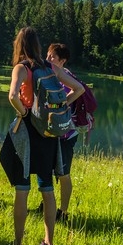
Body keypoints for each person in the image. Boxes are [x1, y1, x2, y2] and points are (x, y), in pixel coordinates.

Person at [0, 27, 84, 245]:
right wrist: (60, 107)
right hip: (48, 133)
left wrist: (24, 113)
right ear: (37, 45)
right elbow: (79, 89)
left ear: (19, 45)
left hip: (27, 133)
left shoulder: (22, 68)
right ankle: (48, 244)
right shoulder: (51, 68)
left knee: (22, 189)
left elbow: (12, 95)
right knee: (47, 190)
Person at [46, 42, 80, 223]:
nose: (48, 59)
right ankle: (47, 205)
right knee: (48, 170)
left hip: (66, 135)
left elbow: (76, 93)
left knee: (63, 173)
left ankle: (63, 212)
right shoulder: (51, 76)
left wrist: (61, 105)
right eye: (48, 55)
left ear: (63, 61)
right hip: (52, 133)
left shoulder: (66, 77)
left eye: (52, 57)